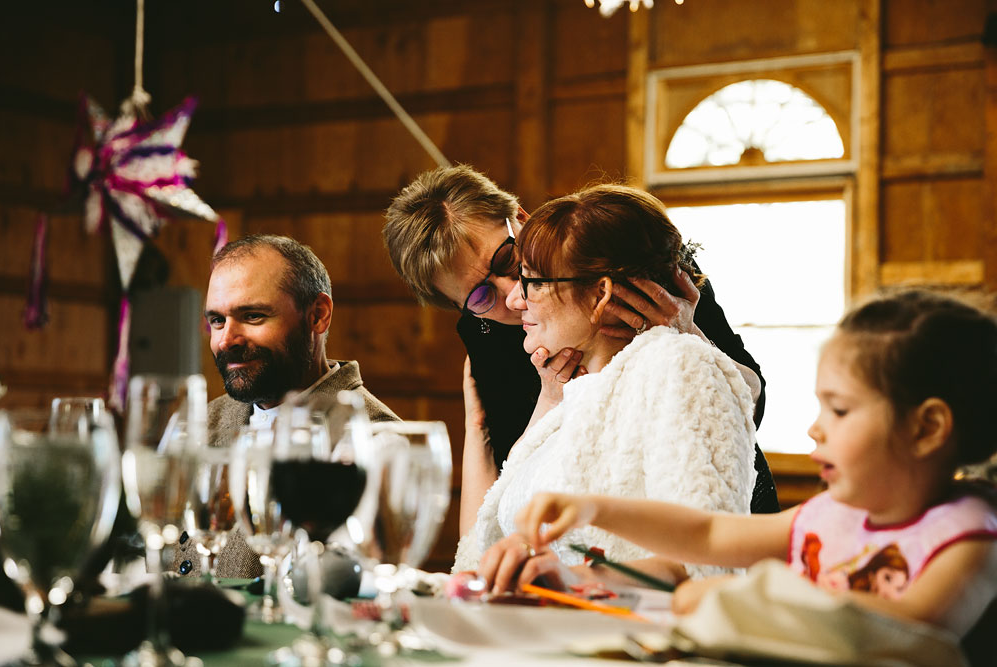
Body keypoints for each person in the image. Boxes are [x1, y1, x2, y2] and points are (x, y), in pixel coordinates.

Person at [515, 290, 997, 664]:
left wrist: (747, 602)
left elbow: (912, 630)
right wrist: (596, 509)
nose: (816, 427)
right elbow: (709, 531)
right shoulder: (832, 514)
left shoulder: (970, 541)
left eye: (840, 409)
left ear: (927, 427)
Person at [383, 165, 779, 525]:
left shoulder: (628, 259)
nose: (512, 295)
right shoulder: (486, 339)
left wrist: (687, 334)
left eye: (507, 260)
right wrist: (546, 399)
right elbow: (517, 480)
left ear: (520, 218)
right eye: (481, 296)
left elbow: (749, 403)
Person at [453, 184, 758, 584]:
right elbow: (479, 548)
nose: (513, 300)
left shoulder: (677, 365)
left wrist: (570, 581)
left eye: (534, 282)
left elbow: (706, 565)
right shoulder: (567, 397)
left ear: (600, 293)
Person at [179, 234, 399, 578]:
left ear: (317, 316)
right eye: (217, 321)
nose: (226, 340)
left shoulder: (377, 440)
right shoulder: (206, 420)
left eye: (252, 316)